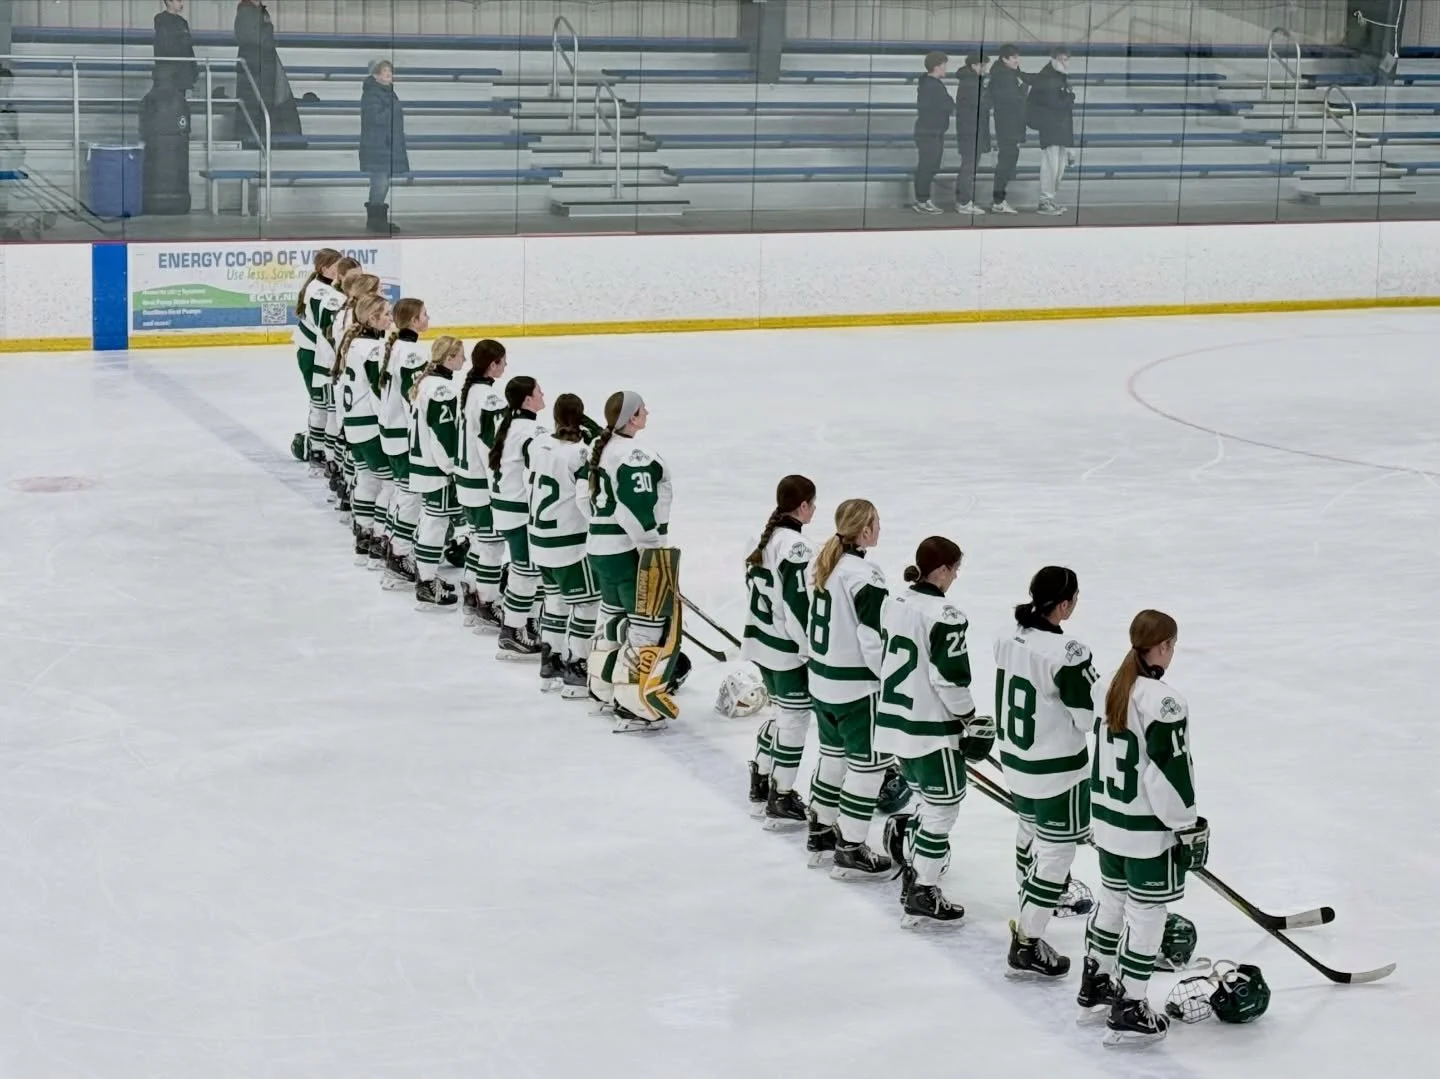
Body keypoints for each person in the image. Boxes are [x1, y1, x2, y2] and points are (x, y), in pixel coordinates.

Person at [1081, 609, 1208, 1047]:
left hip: (1108, 821)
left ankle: (1095, 983)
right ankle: (1131, 1004)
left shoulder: (1109, 687)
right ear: (1165, 646)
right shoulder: (1163, 700)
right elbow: (1166, 774)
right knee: (1148, 915)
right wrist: (1187, 825)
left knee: (1112, 901)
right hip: (1145, 831)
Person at [873, 536, 993, 928]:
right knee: (944, 808)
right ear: (941, 570)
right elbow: (949, 681)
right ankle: (922, 888)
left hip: (894, 723)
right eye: (955, 569)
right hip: (930, 730)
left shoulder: (895, 601)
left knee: (928, 800)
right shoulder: (947, 616)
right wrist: (970, 717)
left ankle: (914, 862)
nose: (956, 577)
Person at [993, 566, 1099, 979]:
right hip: (1058, 771)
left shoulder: (1007, 634)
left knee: (1029, 830)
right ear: (1066, 604)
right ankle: (1027, 940)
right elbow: (1088, 717)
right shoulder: (1067, 652)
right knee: (1057, 853)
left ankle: (1032, 896)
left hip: (1015, 761)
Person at [805, 498, 893, 878]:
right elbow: (872, 637)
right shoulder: (864, 575)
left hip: (822, 680)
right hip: (856, 687)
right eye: (876, 522)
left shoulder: (824, 563)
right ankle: (851, 846)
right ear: (865, 530)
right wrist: (888, 677)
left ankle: (821, 831)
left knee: (833, 758)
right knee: (868, 768)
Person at [586, 391, 677, 730]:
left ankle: (601, 687)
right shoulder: (636, 455)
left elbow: (586, 498)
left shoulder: (604, 447)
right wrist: (650, 547)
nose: (647, 412)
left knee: (611, 617)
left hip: (600, 547)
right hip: (628, 551)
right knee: (645, 624)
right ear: (631, 418)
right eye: (642, 410)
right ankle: (633, 703)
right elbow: (633, 508)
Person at [741, 476, 817, 829]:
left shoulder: (763, 538)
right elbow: (797, 604)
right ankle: (781, 796)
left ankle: (761, 781)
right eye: (813, 504)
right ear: (802, 506)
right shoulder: (797, 546)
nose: (814, 510)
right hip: (786, 649)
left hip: (761, 641)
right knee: (794, 721)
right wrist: (810, 650)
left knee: (781, 714)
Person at [529, 393, 600, 696]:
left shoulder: (538, 444)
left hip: (539, 541)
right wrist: (599, 524)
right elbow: (584, 498)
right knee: (586, 603)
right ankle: (577, 666)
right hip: (570, 542)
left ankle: (550, 663)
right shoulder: (580, 453)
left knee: (555, 601)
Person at [331, 293, 394, 570]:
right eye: (387, 314)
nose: (391, 319)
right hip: (368, 424)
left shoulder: (353, 343)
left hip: (352, 423)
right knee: (390, 483)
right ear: (372, 318)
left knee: (367, 479)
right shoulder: (373, 349)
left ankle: (364, 533)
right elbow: (378, 390)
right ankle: (379, 538)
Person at [489, 377, 547, 659]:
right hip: (519, 512)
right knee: (525, 573)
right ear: (527, 400)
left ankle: (528, 623)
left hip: (505, 507)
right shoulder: (532, 430)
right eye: (539, 391)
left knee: (530, 571)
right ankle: (512, 630)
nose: (543, 394)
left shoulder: (511, 422)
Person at [407, 338, 466, 610]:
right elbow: (443, 435)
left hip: (424, 463)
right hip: (436, 468)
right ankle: (427, 582)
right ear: (449, 357)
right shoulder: (442, 389)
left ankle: (427, 576)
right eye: (460, 356)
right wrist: (453, 467)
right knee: (436, 523)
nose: (464, 361)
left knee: (433, 521)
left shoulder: (429, 382)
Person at [456, 340, 510, 633]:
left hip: (465, 479)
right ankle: (486, 604)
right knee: (491, 545)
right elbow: (491, 446)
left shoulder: (470, 392)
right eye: (503, 362)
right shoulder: (489, 398)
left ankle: (473, 596)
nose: (505, 367)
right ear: (492, 365)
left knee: (479, 541)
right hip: (480, 483)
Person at [376, 298, 429, 590]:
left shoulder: (396, 346)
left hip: (391, 430)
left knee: (402, 493)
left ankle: (394, 546)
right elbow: (414, 399)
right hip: (402, 434)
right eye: (424, 315)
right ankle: (398, 556)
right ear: (413, 321)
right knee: (410, 497)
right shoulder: (410, 353)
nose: (428, 318)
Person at [290, 247, 342, 470]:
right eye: (337, 266)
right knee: (320, 403)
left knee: (323, 403)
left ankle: (318, 445)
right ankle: (317, 449)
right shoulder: (320, 292)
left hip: (316, 352)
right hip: (313, 354)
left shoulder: (326, 287)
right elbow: (325, 327)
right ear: (324, 269)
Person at [234, 0, 301, 143]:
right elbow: (253, 45)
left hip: (264, 75)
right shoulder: (247, 13)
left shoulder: (259, 13)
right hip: (259, 76)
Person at [1026, 45, 1076, 216]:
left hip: (1060, 128)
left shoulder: (1059, 78)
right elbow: (1055, 105)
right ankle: (1045, 200)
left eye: (1067, 59)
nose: (1065, 63)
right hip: (1050, 127)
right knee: (1051, 166)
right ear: (1054, 59)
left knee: (1059, 168)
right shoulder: (1047, 79)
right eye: (1062, 59)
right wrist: (1070, 97)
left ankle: (1050, 199)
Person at [360, 59, 408, 236]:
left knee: (383, 182)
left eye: (390, 71)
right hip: (377, 145)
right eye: (385, 71)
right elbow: (377, 119)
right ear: (375, 75)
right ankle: (375, 219)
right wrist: (392, 108)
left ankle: (378, 219)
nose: (389, 74)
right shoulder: (373, 94)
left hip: (386, 144)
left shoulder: (388, 93)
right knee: (380, 182)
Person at [987, 44, 1028, 214]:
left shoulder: (1007, 74)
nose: (1017, 61)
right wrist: (1024, 89)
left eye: (1017, 57)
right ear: (1004, 59)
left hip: (1008, 124)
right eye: (1013, 57)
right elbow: (1013, 101)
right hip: (1008, 125)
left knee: (1008, 161)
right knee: (1006, 162)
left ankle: (999, 199)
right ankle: (998, 200)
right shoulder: (1004, 77)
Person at [911, 51, 952, 215]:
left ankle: (923, 199)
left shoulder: (928, 84)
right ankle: (922, 200)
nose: (945, 68)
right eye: (944, 65)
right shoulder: (933, 86)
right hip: (930, 131)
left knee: (930, 166)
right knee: (927, 166)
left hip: (932, 130)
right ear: (937, 66)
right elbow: (948, 104)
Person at [952, 53, 991, 216]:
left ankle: (963, 200)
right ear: (975, 65)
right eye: (984, 66)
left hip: (970, 130)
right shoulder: (971, 83)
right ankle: (964, 201)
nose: (986, 69)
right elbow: (984, 104)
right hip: (971, 131)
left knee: (968, 166)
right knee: (969, 167)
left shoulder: (970, 81)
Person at [153, 0, 198, 94]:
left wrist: (193, 68)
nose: (181, 4)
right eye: (178, 1)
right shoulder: (162, 20)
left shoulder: (182, 22)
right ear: (169, 2)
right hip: (169, 72)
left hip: (180, 71)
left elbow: (188, 48)